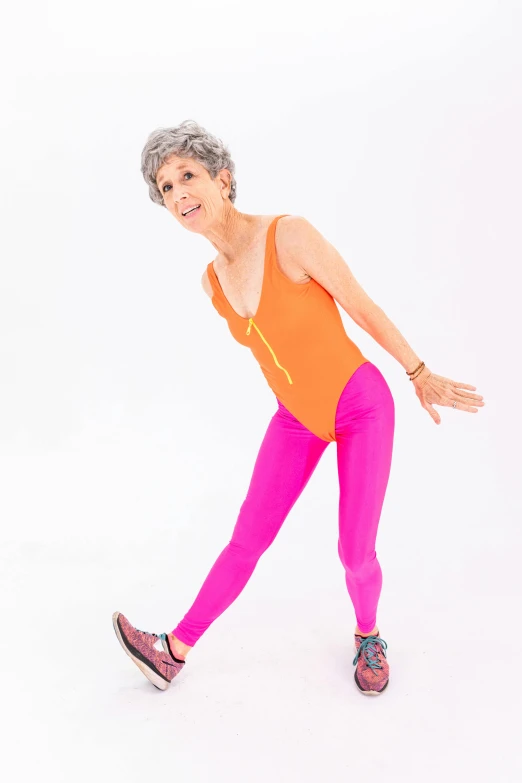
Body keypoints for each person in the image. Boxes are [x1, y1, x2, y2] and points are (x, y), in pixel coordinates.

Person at [112, 119, 485, 695]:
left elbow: (360, 304)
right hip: (297, 418)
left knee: (354, 551)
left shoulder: (289, 235)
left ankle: (368, 635)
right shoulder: (211, 282)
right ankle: (173, 652)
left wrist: (418, 371)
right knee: (246, 539)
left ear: (223, 179)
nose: (179, 193)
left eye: (188, 176)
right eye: (165, 188)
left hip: (360, 405)